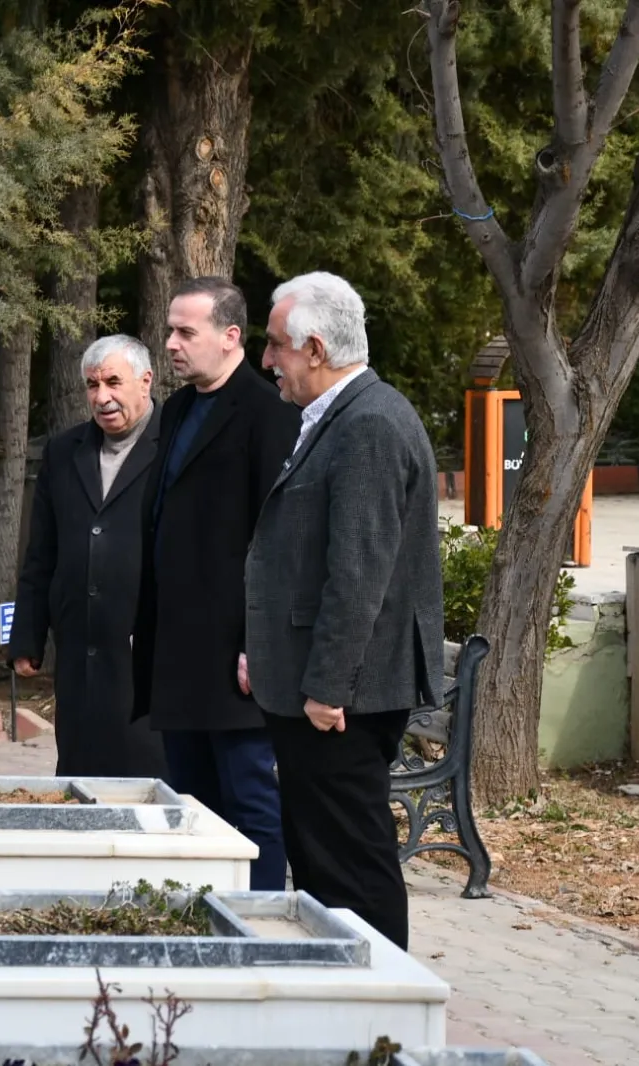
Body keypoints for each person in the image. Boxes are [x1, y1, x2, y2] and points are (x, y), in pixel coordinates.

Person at [244, 271, 444, 950]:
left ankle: (378, 1012)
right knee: (325, 863)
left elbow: (359, 574)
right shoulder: (345, 416)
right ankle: (347, 996)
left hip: (341, 700)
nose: (267, 359)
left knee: (349, 867)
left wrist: (327, 687)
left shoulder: (369, 424)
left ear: (317, 349)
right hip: (325, 692)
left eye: (276, 346)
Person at [133, 276, 300, 891]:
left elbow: (276, 541)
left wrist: (258, 643)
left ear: (231, 336)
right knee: (191, 801)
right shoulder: (176, 410)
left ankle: (258, 920)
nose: (171, 344)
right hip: (177, 649)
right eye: (170, 330)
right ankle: (199, 908)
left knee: (249, 797)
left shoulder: (267, 414)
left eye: (185, 332)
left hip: (235, 654)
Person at [7, 335, 168, 779]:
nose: (103, 397)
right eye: (93, 386)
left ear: (145, 381)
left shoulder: (174, 445)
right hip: (80, 645)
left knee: (147, 770)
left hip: (148, 647)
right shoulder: (64, 451)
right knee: (81, 769)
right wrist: (27, 637)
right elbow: (42, 551)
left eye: (114, 382)